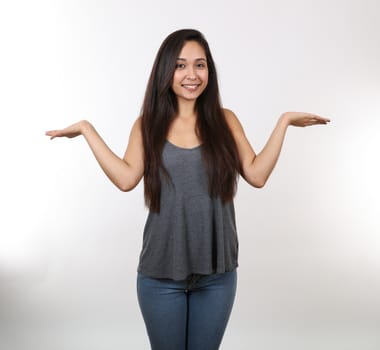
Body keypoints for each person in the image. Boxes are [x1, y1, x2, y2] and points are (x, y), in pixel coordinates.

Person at [46, 29, 330, 350]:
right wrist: (87, 130)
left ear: (210, 70)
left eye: (200, 65)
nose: (192, 75)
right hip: (160, 277)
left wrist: (284, 122)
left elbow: (257, 174)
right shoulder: (148, 124)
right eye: (181, 66)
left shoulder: (226, 120)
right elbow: (126, 179)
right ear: (166, 72)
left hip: (217, 277)